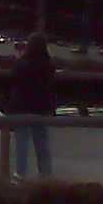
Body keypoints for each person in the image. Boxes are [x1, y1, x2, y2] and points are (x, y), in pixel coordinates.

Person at [7, 34, 61, 177]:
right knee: (42, 143)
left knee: (22, 144)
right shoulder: (48, 65)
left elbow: (14, 81)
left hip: (22, 108)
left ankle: (20, 173)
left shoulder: (22, 65)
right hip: (41, 109)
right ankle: (46, 174)